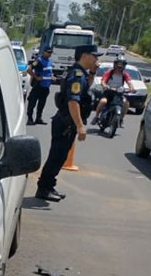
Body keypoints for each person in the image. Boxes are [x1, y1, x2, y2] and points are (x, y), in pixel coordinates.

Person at [36, 44, 102, 202]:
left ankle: (49, 186)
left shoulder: (79, 72)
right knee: (56, 157)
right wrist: (80, 126)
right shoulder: (77, 75)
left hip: (66, 122)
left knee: (60, 157)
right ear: (84, 56)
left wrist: (93, 72)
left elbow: (85, 88)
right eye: (94, 56)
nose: (96, 59)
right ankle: (44, 188)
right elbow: (73, 101)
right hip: (66, 122)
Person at [92, 55, 131, 127]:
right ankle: (96, 116)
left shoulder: (125, 74)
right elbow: (103, 81)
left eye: (121, 64)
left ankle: (121, 119)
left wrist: (131, 88)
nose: (119, 66)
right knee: (103, 101)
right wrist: (105, 86)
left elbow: (129, 83)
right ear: (115, 64)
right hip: (108, 92)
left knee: (126, 103)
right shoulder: (110, 72)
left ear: (124, 65)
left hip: (119, 93)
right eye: (118, 64)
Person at [26, 46, 55, 125]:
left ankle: (38, 118)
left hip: (46, 87)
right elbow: (29, 69)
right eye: (48, 52)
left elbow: (49, 72)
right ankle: (30, 119)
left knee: (42, 103)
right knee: (32, 102)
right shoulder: (38, 60)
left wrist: (52, 77)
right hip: (38, 85)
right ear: (44, 52)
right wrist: (36, 77)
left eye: (50, 53)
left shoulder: (50, 61)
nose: (49, 54)